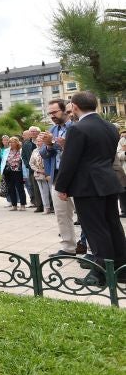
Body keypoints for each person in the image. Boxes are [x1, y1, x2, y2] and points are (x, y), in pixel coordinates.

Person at [54, 91, 126, 286]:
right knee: (113, 225)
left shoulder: (77, 129)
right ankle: (121, 269)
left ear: (75, 107)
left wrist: (61, 187)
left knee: (95, 228)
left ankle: (100, 273)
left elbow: (70, 161)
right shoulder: (111, 127)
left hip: (87, 186)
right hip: (109, 181)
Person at [40, 99, 80, 256]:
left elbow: (78, 151)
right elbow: (43, 154)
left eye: (55, 112)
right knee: (62, 215)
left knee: (84, 215)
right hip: (57, 178)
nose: (52, 116)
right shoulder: (52, 130)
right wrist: (48, 144)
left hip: (77, 177)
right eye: (50, 113)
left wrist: (58, 144)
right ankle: (68, 247)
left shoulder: (76, 127)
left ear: (65, 110)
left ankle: (90, 249)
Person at [28, 133, 52, 215]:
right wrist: (38, 170)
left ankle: (55, 207)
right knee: (43, 192)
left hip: (49, 173)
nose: (38, 143)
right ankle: (47, 208)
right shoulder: (35, 151)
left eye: (40, 141)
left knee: (52, 191)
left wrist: (47, 170)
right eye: (37, 141)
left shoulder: (48, 149)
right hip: (39, 174)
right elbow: (31, 163)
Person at [2, 136, 28, 211]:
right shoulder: (6, 150)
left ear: (17, 143)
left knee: (20, 188)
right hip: (8, 172)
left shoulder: (20, 150)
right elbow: (4, 160)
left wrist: (13, 161)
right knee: (11, 188)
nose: (11, 143)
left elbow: (20, 159)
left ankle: (23, 205)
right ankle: (14, 205)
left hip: (18, 171)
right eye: (10, 142)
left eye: (13, 142)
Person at [21, 127, 42, 211]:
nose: (33, 133)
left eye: (34, 131)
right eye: (31, 131)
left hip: (43, 168)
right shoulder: (26, 144)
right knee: (35, 188)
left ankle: (50, 205)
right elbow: (23, 156)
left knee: (45, 188)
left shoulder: (41, 140)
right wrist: (28, 165)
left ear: (38, 132)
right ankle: (39, 206)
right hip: (31, 169)